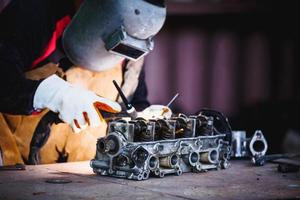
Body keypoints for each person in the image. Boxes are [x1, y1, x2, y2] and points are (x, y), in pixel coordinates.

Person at [0, 0, 166, 165]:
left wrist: (147, 121)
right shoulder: (34, 13)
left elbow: (136, 105)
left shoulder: (133, 41)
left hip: (86, 177)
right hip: (15, 171)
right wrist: (50, 94)